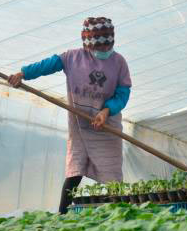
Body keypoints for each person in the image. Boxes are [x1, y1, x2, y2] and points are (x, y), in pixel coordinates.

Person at [8, 17, 131, 214]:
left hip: (106, 127)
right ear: (88, 44)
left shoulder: (118, 62)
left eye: (107, 45)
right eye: (99, 46)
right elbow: (47, 65)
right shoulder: (72, 58)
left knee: (112, 173)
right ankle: (61, 216)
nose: (104, 50)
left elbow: (123, 93)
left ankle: (119, 215)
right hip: (80, 125)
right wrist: (22, 74)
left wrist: (106, 110)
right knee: (75, 169)